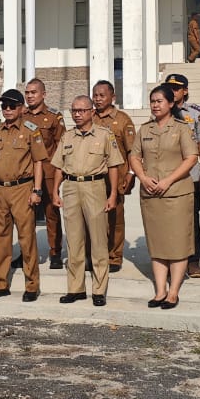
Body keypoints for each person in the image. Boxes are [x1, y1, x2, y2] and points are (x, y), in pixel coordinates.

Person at [130, 84, 199, 309]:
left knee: (178, 243)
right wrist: (142, 177)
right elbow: (134, 156)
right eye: (152, 101)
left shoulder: (181, 128)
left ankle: (174, 292)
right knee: (157, 242)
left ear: (171, 103)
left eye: (159, 101)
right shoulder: (145, 129)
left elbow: (191, 158)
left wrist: (168, 180)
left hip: (176, 194)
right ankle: (160, 291)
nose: (155, 105)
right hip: (151, 195)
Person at [51, 95, 123, 307]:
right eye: (74, 110)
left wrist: (112, 195)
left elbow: (114, 166)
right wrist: (55, 191)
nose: (77, 114)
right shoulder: (67, 137)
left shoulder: (104, 135)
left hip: (95, 187)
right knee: (74, 241)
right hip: (71, 187)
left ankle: (99, 289)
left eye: (82, 110)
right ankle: (76, 288)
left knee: (99, 240)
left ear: (92, 112)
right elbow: (58, 165)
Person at [0, 89, 48, 302]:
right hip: (1, 190)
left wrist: (37, 190)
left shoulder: (31, 131)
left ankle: (31, 285)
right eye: (4, 106)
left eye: (12, 106)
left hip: (22, 189)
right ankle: (0, 284)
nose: (7, 110)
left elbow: (38, 162)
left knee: (26, 239)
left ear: (21, 108)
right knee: (1, 238)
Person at [165, 73, 200, 277]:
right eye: (169, 87)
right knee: (167, 219)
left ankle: (193, 260)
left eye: (176, 88)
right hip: (166, 174)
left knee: (191, 220)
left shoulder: (196, 113)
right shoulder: (160, 110)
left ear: (185, 91)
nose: (173, 91)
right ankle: (171, 259)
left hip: (190, 176)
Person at [91, 80, 136, 273]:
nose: (98, 99)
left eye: (102, 95)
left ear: (113, 97)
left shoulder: (123, 120)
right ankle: (95, 254)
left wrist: (132, 174)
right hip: (93, 177)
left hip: (116, 178)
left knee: (115, 218)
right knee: (93, 218)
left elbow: (133, 150)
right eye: (95, 95)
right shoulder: (88, 117)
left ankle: (115, 256)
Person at [24, 78, 65, 269]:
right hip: (25, 173)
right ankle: (27, 252)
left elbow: (61, 147)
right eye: (28, 92)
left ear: (43, 94)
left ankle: (55, 252)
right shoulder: (20, 115)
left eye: (34, 92)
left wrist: (58, 176)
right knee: (25, 215)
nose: (30, 96)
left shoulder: (53, 117)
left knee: (52, 214)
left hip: (48, 172)